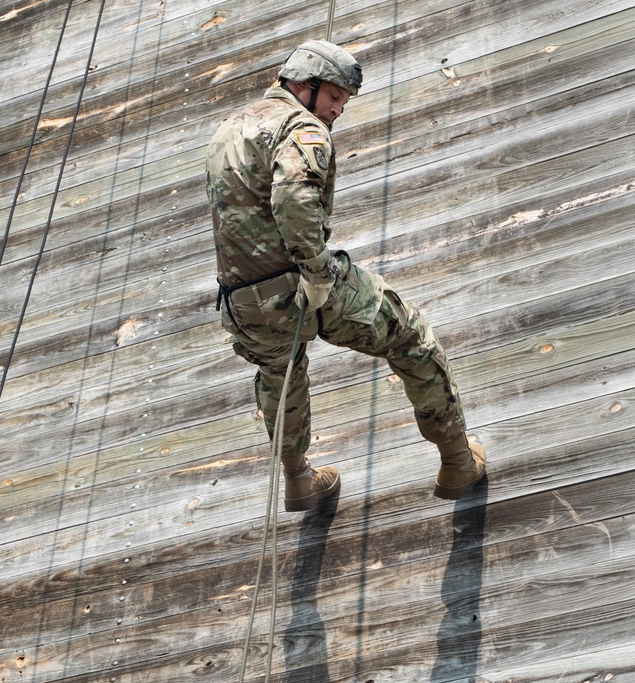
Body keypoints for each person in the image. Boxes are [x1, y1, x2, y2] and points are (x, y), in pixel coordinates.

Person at [206, 39, 487, 512]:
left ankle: (298, 480)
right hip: (302, 284)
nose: (338, 110)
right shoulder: (302, 126)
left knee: (281, 378)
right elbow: (293, 198)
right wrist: (316, 273)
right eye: (335, 96)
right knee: (410, 336)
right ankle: (458, 460)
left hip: (242, 300)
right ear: (304, 85)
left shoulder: (228, 130)